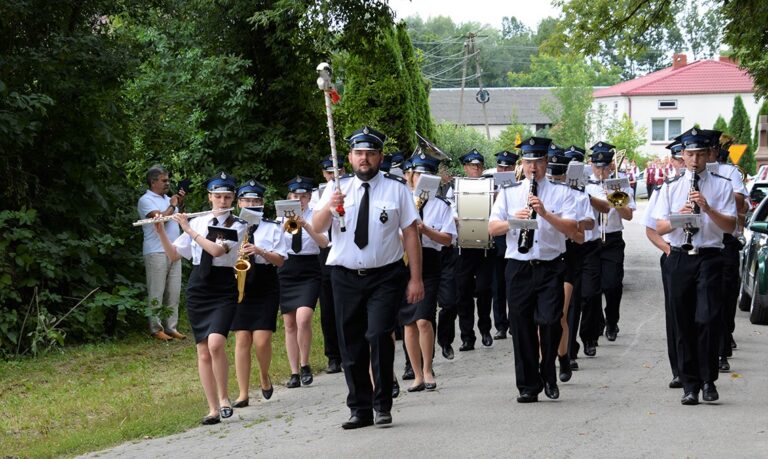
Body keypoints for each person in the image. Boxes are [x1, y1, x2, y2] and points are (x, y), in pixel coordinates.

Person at [313, 125, 424, 429]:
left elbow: (410, 233)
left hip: (385, 276)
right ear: (349, 156)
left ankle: (382, 403)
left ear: (379, 157)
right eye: (359, 153)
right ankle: (359, 407)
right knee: (351, 342)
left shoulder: (396, 188)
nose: (364, 159)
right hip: (345, 275)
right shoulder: (336, 188)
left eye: (370, 153)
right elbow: (317, 227)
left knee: (378, 335)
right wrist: (332, 208)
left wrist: (416, 278)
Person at [488, 136, 578, 403]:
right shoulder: (509, 193)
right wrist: (515, 221)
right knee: (522, 326)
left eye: (538, 161)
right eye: (528, 162)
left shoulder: (562, 193)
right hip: (518, 266)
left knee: (551, 321)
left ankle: (548, 371)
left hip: (550, 266)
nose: (533, 167)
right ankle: (528, 385)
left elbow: (571, 229)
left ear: (546, 162)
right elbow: (492, 228)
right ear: (522, 164)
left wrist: (546, 214)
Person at [154, 172, 246, 425]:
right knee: (203, 351)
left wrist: (187, 228)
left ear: (233, 198)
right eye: (218, 196)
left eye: (227, 197)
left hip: (223, 286)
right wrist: (161, 230)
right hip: (198, 288)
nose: (222, 201)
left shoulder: (237, 224)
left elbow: (216, 250)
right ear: (210, 197)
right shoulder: (199, 221)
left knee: (216, 343)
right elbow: (174, 254)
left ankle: (225, 398)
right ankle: (213, 408)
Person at [653, 127, 736, 405]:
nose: (695, 160)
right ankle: (690, 385)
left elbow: (730, 226)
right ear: (683, 156)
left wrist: (708, 208)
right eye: (690, 154)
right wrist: (681, 217)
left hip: (710, 256)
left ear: (707, 156)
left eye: (701, 154)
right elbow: (658, 226)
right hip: (680, 256)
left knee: (708, 318)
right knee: (683, 321)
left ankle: (708, 379)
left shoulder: (722, 185)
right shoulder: (670, 187)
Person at [400, 154, 456, 392]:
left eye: (425, 175)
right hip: (402, 262)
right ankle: (416, 373)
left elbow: (447, 239)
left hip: (429, 261)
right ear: (409, 177)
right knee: (409, 323)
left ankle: (427, 369)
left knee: (424, 319)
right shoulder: (402, 203)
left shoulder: (441, 205)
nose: (419, 179)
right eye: (416, 175)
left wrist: (424, 229)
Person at [230, 179, 287, 408]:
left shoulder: (272, 227)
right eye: (246, 200)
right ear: (239, 203)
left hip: (265, 282)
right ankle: (243, 393)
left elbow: (281, 260)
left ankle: (264, 375)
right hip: (239, 282)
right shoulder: (232, 226)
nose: (251, 204)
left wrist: (259, 250)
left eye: (256, 200)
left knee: (262, 340)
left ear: (262, 203)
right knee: (242, 338)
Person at [547, 145, 594, 383]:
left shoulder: (578, 194)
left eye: (558, 176)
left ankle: (563, 356)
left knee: (560, 314)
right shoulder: (540, 194)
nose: (555, 180)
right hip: (544, 255)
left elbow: (589, 223)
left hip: (568, 255)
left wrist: (575, 223)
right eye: (551, 176)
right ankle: (547, 360)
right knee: (544, 316)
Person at [278, 176, 329, 388]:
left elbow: (324, 242)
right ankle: (294, 371)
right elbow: (274, 244)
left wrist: (305, 225)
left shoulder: (316, 216)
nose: (299, 199)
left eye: (303, 196)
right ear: (289, 197)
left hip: (309, 268)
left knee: (303, 317)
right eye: (295, 196)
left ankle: (305, 363)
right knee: (289, 323)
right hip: (287, 269)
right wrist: (284, 225)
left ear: (309, 198)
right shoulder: (280, 219)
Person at [644, 142, 685, 389]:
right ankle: (679, 369)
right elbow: (651, 229)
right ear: (674, 162)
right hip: (675, 254)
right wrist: (668, 249)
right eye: (680, 160)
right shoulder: (664, 190)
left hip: (705, 255)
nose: (686, 164)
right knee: (676, 315)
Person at [586, 142, 636, 346]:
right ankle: (596, 323)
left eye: (605, 167)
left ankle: (612, 321)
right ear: (590, 164)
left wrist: (612, 197)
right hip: (591, 239)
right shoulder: (585, 184)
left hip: (612, 238)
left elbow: (629, 215)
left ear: (611, 166)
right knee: (592, 289)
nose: (601, 171)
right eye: (597, 167)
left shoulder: (620, 185)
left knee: (612, 285)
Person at [710, 135, 748, 372]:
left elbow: (741, 204)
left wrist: (719, 187)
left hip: (725, 239)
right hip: (701, 241)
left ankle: (722, 348)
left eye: (711, 149)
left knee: (725, 296)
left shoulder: (729, 173)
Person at [138, 164, 186, 341]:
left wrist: (179, 203)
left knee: (174, 292)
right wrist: (173, 205)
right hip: (156, 251)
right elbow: (161, 221)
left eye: (168, 179)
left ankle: (171, 327)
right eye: (164, 180)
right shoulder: (146, 200)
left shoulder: (169, 199)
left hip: (175, 249)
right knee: (156, 291)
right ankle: (156, 328)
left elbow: (178, 220)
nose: (168, 183)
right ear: (153, 182)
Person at [454, 149, 495, 351]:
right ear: (465, 168)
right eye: (472, 165)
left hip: (485, 249)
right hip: (463, 250)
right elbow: (450, 210)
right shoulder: (456, 187)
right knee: (464, 293)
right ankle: (467, 337)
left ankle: (485, 330)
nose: (476, 169)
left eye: (479, 165)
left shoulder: (491, 186)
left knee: (484, 290)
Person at [314, 156, 345, 373]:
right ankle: (332, 356)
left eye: (337, 170)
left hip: (344, 253)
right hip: (325, 253)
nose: (333, 175)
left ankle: (347, 350)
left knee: (345, 308)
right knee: (327, 309)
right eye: (328, 172)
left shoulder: (349, 188)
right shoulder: (321, 195)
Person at [491, 150, 518, 340]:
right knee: (497, 285)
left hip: (514, 237)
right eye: (501, 166)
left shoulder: (519, 186)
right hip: (497, 238)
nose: (503, 169)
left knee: (513, 284)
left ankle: (515, 322)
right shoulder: (489, 184)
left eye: (507, 167)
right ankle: (500, 324)